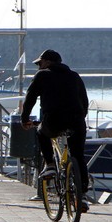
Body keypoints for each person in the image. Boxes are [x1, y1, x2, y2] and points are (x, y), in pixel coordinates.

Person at [20, 49, 91, 212]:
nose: (38, 67)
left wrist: (25, 119)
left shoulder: (42, 76)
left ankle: (50, 164)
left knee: (41, 132)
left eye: (40, 63)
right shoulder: (74, 76)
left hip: (53, 121)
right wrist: (80, 117)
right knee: (78, 156)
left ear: (48, 62)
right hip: (76, 121)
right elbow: (84, 102)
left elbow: (30, 98)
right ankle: (83, 195)